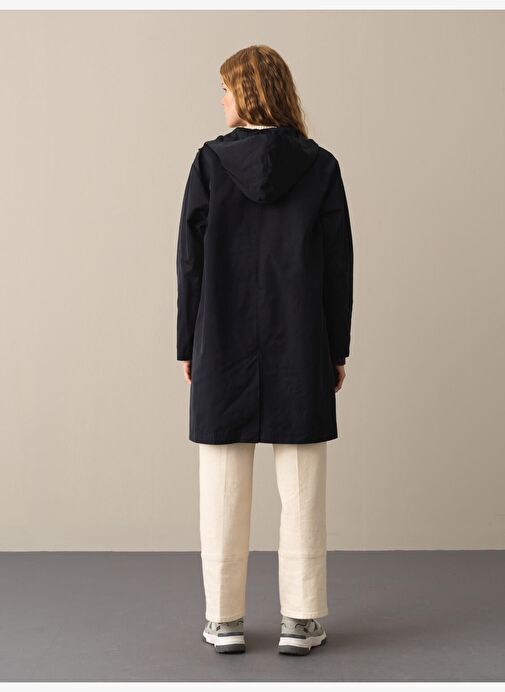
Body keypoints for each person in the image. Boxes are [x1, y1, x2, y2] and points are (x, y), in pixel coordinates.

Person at [176, 45, 354, 656]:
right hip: (300, 338)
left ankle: (223, 619)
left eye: (226, 88)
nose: (220, 99)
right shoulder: (321, 166)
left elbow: (190, 263)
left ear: (248, 93)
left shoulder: (209, 163)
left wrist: (187, 341)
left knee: (223, 482)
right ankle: (301, 619)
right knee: (302, 483)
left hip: (222, 338)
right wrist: (336, 347)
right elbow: (338, 268)